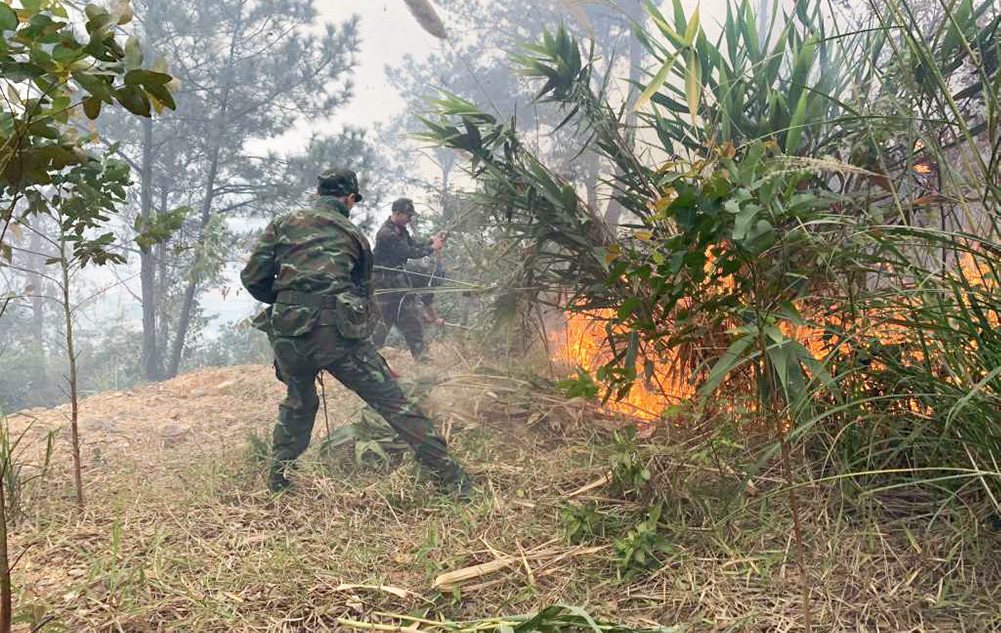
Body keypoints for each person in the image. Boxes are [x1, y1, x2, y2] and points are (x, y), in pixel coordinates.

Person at [240, 169, 472, 497]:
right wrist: (367, 353)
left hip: (288, 335)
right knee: (392, 401)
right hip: (334, 335)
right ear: (349, 199)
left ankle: (278, 481)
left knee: (299, 402)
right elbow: (364, 297)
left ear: (317, 194)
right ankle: (452, 479)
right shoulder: (355, 236)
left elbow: (252, 278)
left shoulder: (282, 223)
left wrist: (290, 302)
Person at [372, 198, 445, 361]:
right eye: (407, 215)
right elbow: (408, 252)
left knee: (412, 321)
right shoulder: (386, 233)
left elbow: (414, 244)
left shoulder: (401, 230)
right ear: (397, 213)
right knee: (381, 326)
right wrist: (432, 248)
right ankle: (368, 361)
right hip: (384, 286)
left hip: (399, 283)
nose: (410, 219)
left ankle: (424, 361)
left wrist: (431, 241)